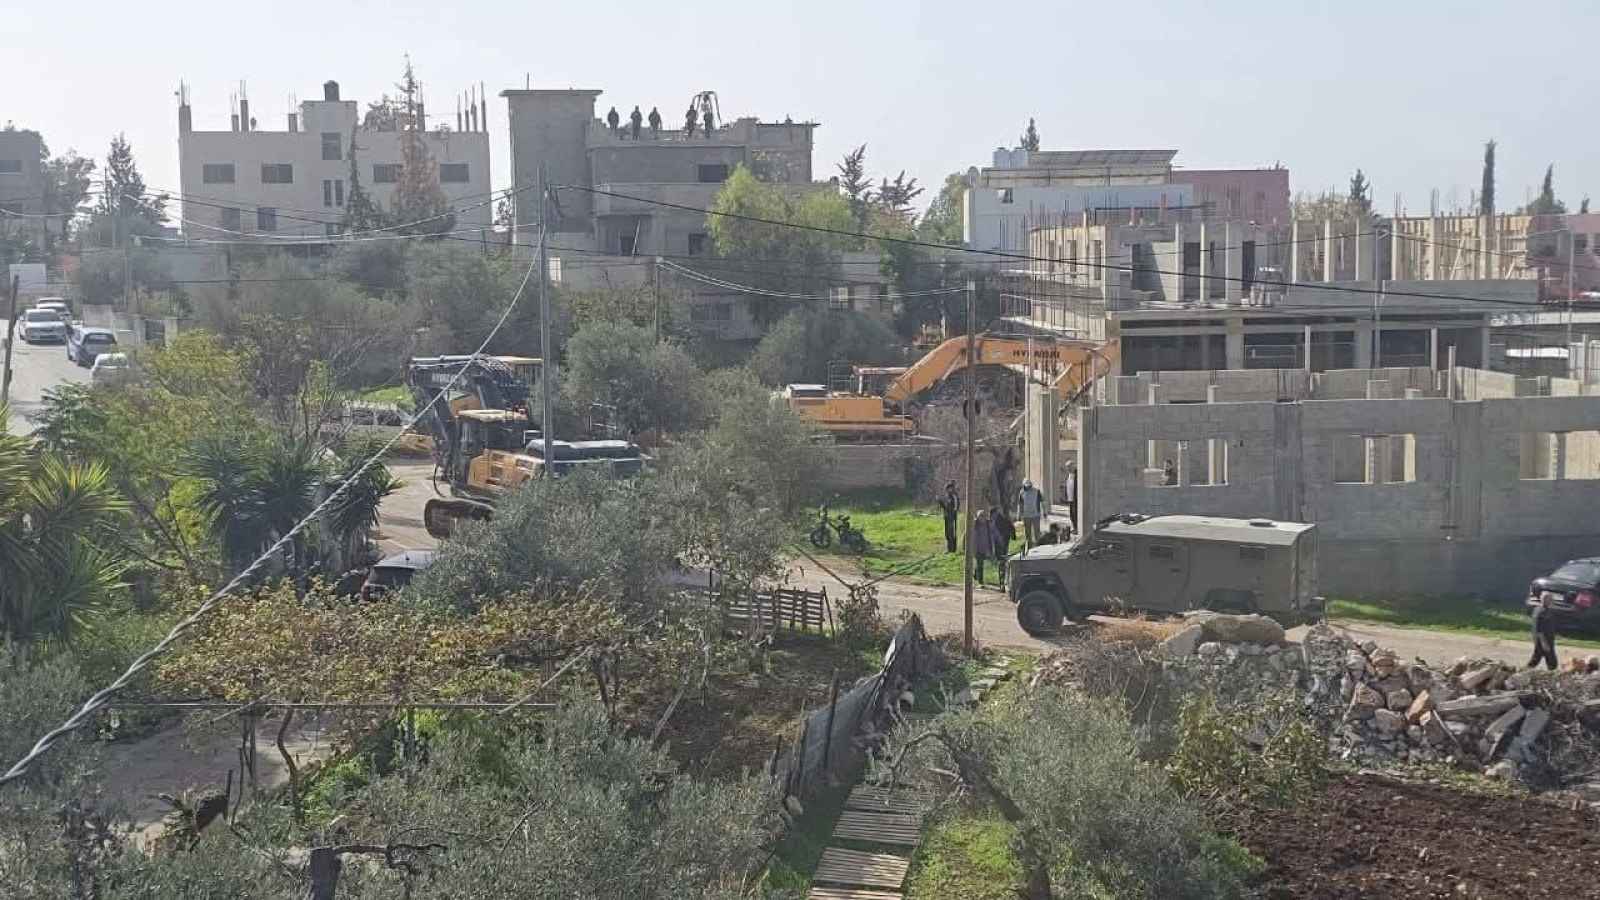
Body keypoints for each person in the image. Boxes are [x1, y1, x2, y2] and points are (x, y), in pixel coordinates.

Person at [1529, 592, 1559, 670]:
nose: (1552, 600)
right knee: (1552, 662)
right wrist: (1544, 642)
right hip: (1543, 640)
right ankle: (1523, 672)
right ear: (1545, 600)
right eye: (1550, 599)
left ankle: (1524, 671)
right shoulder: (1542, 612)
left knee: (1536, 659)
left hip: (1546, 639)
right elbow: (1539, 629)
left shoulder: (1540, 609)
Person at [990, 505, 1015, 589]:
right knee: (1002, 562)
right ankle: (1002, 582)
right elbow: (1011, 527)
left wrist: (1012, 536)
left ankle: (1002, 583)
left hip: (1001, 544)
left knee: (1001, 562)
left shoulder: (998, 520)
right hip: (1002, 543)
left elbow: (1010, 527)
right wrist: (1013, 536)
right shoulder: (1002, 519)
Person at [972, 509, 997, 587]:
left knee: (981, 562)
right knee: (980, 564)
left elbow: (993, 533)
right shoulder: (975, 525)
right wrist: (973, 548)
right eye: (980, 516)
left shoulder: (988, 524)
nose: (982, 518)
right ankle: (980, 581)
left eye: (983, 516)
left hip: (986, 547)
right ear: (978, 517)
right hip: (977, 548)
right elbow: (973, 538)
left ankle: (976, 574)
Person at [1017, 479, 1045, 548]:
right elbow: (1020, 505)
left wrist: (1044, 512)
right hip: (1027, 516)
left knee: (1036, 533)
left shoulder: (1037, 491)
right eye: (1026, 487)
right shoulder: (1022, 492)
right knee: (1028, 534)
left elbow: (1042, 502)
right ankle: (1030, 547)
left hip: (1035, 515)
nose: (1027, 488)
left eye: (1028, 486)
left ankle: (1038, 546)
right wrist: (1019, 515)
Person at [937, 482, 960, 553]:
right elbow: (945, 507)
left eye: (949, 488)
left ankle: (952, 549)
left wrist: (952, 514)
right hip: (947, 517)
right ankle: (949, 549)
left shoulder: (954, 497)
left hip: (952, 518)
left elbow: (955, 508)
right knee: (947, 533)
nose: (948, 490)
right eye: (947, 489)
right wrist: (940, 502)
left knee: (951, 533)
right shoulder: (947, 496)